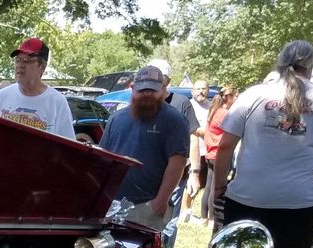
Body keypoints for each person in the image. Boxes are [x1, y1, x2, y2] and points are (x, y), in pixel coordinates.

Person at [206, 40, 313, 248]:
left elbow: (225, 146)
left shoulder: (254, 94)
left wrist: (219, 187)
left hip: (247, 196)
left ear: (280, 62)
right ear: (311, 66)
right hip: (299, 201)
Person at [98, 65, 190, 218]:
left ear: (163, 89)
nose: (147, 94)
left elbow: (177, 162)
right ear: (132, 88)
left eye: (153, 90)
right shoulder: (116, 118)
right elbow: (103, 157)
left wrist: (161, 201)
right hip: (111, 203)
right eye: (142, 90)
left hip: (147, 205)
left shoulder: (175, 121)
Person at [0, 38, 75, 139]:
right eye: (18, 60)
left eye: (27, 60)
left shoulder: (57, 102)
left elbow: (67, 146)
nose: (20, 65)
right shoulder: (0, 97)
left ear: (42, 67)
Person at [202, 84, 238, 229]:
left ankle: (204, 217)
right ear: (228, 97)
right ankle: (212, 218)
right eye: (235, 96)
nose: (236, 99)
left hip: (211, 151)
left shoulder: (214, 110)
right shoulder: (224, 114)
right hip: (218, 153)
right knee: (217, 187)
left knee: (209, 185)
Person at [181, 79, 211, 222]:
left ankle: (194, 211)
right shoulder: (188, 106)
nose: (201, 92)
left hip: (206, 150)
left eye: (204, 89)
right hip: (191, 151)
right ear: (192, 91)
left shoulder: (211, 106)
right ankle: (186, 211)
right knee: (190, 181)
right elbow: (190, 129)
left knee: (202, 183)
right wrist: (208, 133)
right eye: (198, 89)